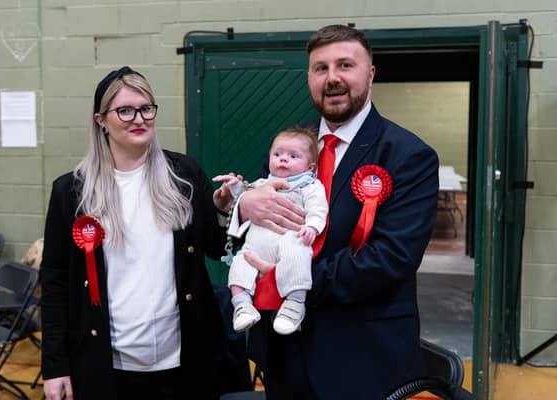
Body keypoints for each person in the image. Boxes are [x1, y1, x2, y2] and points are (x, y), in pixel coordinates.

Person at [232, 25, 440, 399]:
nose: (333, 79)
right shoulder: (292, 145)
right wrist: (239, 207)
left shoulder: (408, 155)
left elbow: (391, 259)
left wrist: (287, 278)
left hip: (363, 358)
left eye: (345, 65)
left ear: (370, 74)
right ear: (309, 77)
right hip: (285, 354)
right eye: (321, 68)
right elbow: (266, 222)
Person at [40, 66, 233, 400]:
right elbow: (55, 282)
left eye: (146, 108)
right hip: (106, 363)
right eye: (125, 110)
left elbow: (217, 249)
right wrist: (55, 366)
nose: (138, 118)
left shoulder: (184, 175)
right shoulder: (71, 191)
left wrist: (221, 210)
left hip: (184, 359)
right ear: (101, 120)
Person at [213, 128, 328, 335]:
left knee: (298, 256)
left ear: (310, 167)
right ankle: (242, 305)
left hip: (291, 237)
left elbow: (318, 209)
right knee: (240, 262)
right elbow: (244, 195)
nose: (283, 160)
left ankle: (294, 304)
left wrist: (312, 226)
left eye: (293, 156)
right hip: (258, 241)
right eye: (278, 154)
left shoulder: (310, 186)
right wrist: (235, 187)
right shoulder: (262, 183)